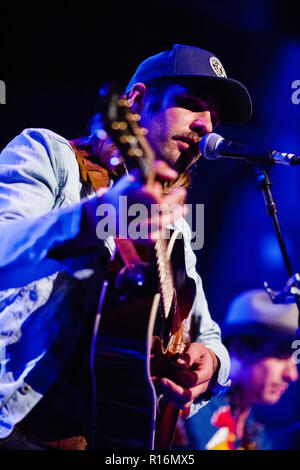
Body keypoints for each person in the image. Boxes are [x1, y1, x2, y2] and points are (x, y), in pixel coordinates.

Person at [0, 44, 252, 450]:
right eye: (190, 104)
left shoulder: (176, 228)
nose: (207, 125)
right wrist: (97, 216)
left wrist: (212, 363)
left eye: (215, 118)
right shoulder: (47, 154)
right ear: (135, 102)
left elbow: (207, 333)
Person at [184, 288, 299, 450]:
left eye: (295, 359)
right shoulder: (188, 403)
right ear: (239, 348)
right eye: (280, 355)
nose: (292, 375)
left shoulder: (259, 437)